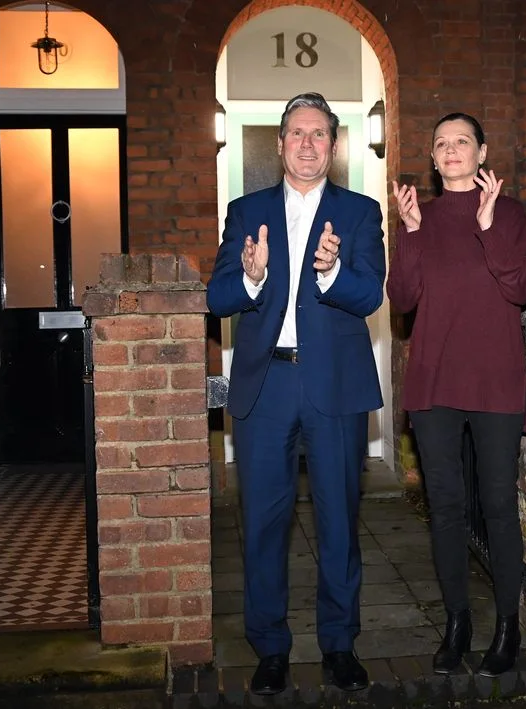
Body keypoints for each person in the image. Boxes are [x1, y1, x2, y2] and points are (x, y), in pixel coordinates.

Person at [206, 93, 385, 696]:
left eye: (319, 134)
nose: (307, 144)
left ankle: (339, 644)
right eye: (296, 133)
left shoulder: (360, 213)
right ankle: (271, 648)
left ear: (333, 147)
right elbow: (218, 297)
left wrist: (332, 273)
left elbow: (370, 296)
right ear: (279, 144)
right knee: (262, 522)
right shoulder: (245, 210)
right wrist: (250, 278)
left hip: (335, 385)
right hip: (267, 385)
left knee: (339, 519)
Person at [386, 112, 526, 677]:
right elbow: (401, 298)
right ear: (432, 159)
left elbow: (522, 286)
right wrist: (408, 233)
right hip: (435, 382)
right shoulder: (418, 217)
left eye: (462, 142)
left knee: (498, 506)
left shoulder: (511, 213)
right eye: (442, 144)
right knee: (447, 509)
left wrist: (489, 222)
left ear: (481, 154)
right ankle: (457, 623)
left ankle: (507, 625)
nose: (451, 150)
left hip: (495, 380)